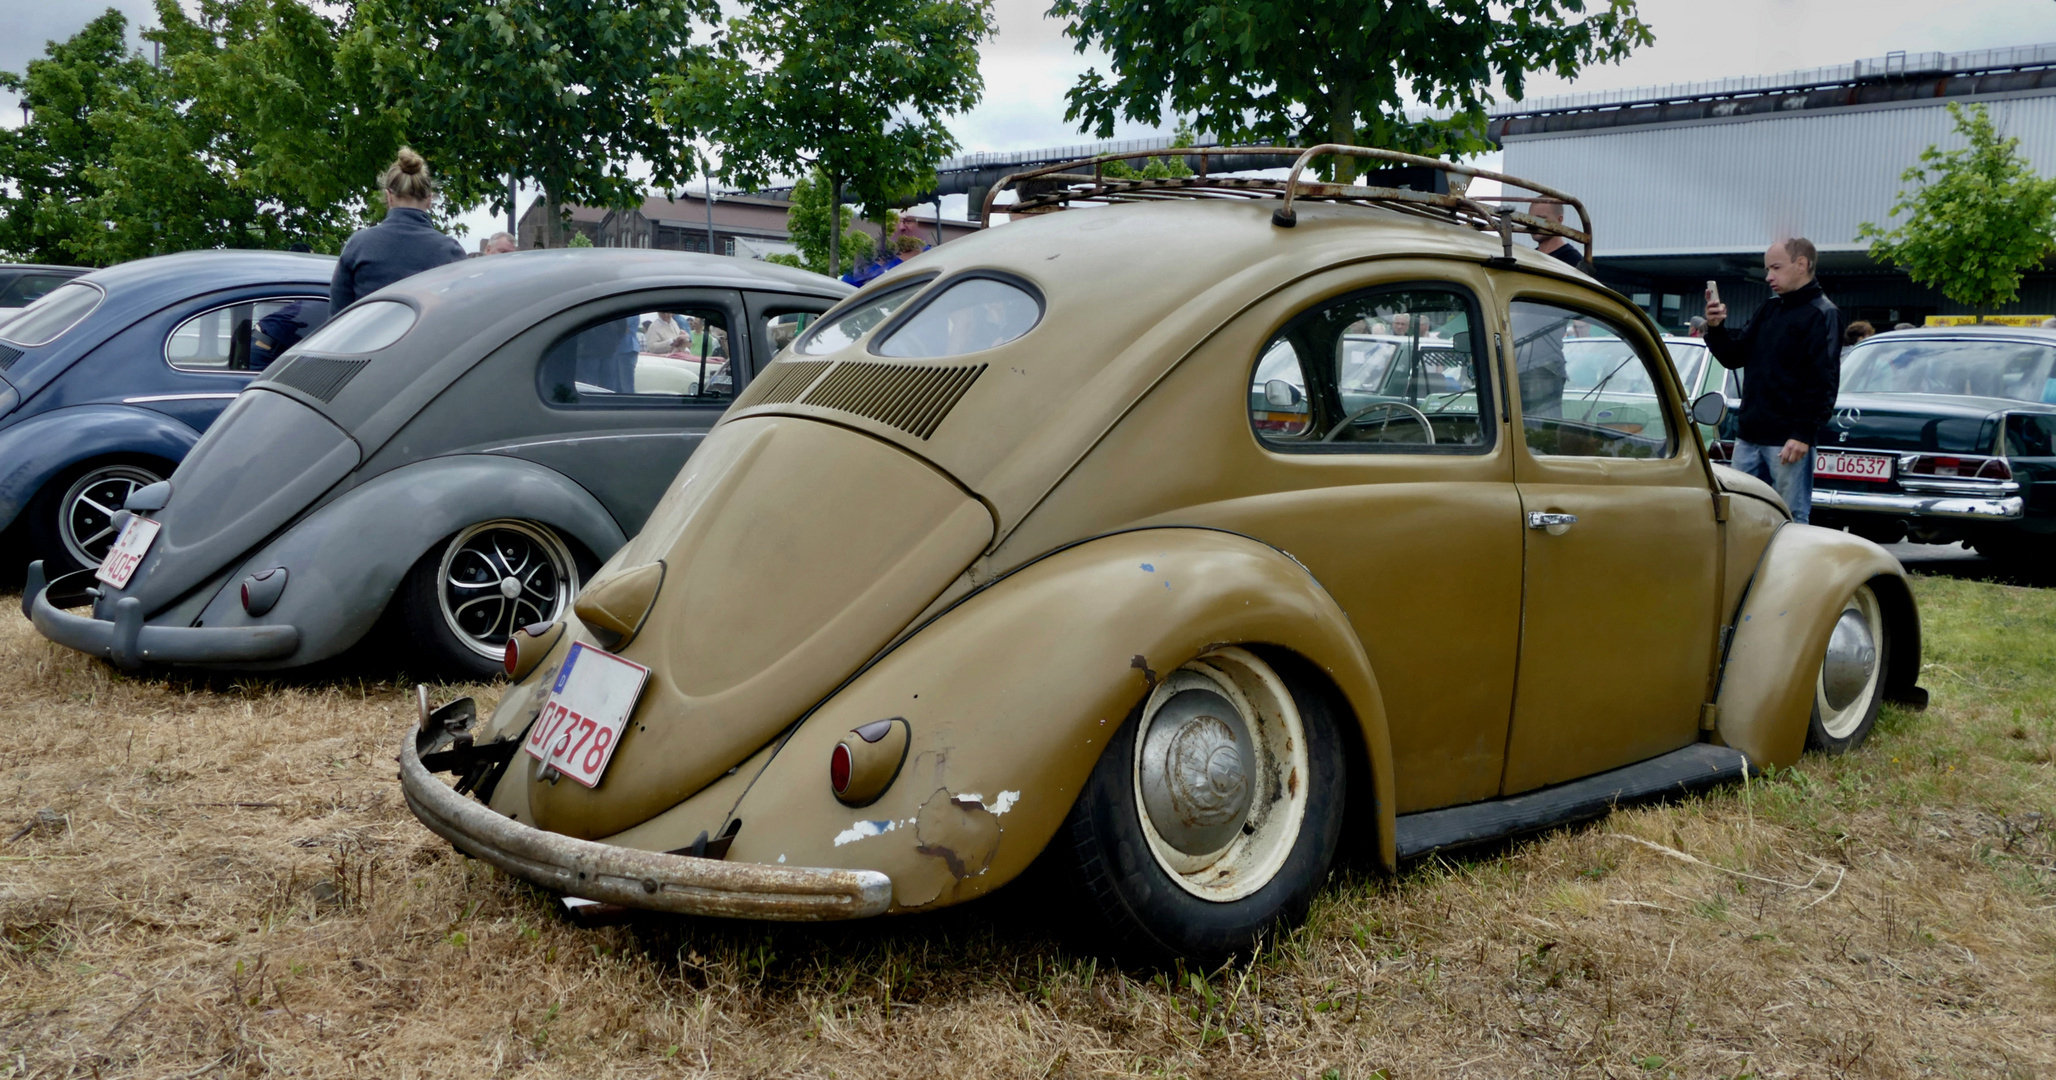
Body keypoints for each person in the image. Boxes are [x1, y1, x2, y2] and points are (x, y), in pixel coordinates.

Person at [1705, 237, 1840, 523]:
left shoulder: (1823, 313)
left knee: (1790, 518)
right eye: (1768, 269)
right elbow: (1734, 357)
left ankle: (1790, 569)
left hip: (1788, 440)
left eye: (1776, 268)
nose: (1768, 277)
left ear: (1801, 264)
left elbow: (1824, 379)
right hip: (1750, 433)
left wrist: (1804, 433)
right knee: (1739, 516)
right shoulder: (1768, 309)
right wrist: (1716, 329)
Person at [330, 147, 466, 310]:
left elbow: (337, 318)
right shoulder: (449, 251)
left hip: (372, 335)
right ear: (429, 199)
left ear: (389, 197)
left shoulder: (359, 245)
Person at [1530, 199, 1583, 268]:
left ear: (1559, 220)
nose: (1533, 224)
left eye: (1541, 219)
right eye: (1530, 219)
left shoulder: (1572, 259)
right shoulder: (1530, 256)